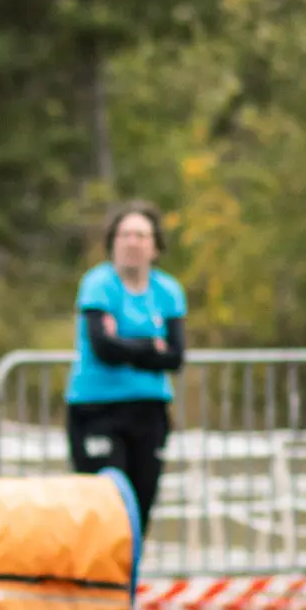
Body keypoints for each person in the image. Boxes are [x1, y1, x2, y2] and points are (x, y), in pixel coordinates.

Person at [65, 201, 187, 532]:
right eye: (125, 234)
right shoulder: (99, 284)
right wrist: (150, 347)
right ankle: (95, 580)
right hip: (97, 408)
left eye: (141, 235)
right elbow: (103, 347)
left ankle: (127, 580)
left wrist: (128, 346)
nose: (132, 242)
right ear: (113, 242)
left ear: (155, 247)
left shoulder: (168, 291)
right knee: (105, 504)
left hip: (149, 409)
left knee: (140, 506)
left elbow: (175, 357)